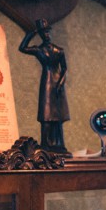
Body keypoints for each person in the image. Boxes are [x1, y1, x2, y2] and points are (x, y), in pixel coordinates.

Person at [19, 18, 71, 155]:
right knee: (46, 114)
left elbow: (65, 68)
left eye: (47, 32)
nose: (46, 35)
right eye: (43, 33)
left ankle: (59, 144)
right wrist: (31, 33)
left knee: (57, 116)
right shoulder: (39, 50)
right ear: (41, 35)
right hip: (46, 83)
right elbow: (22, 48)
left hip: (57, 84)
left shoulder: (59, 50)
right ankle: (46, 144)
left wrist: (61, 82)